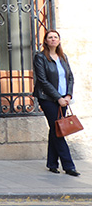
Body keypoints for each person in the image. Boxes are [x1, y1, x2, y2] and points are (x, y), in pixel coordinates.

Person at [33, 29, 79, 176]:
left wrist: (68, 95)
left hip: (64, 99)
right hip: (48, 99)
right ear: (46, 41)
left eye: (55, 37)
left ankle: (52, 163)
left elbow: (70, 77)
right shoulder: (40, 57)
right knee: (58, 130)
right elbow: (42, 80)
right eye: (50, 37)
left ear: (59, 40)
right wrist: (58, 97)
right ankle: (69, 165)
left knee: (55, 129)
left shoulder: (63, 57)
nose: (53, 39)